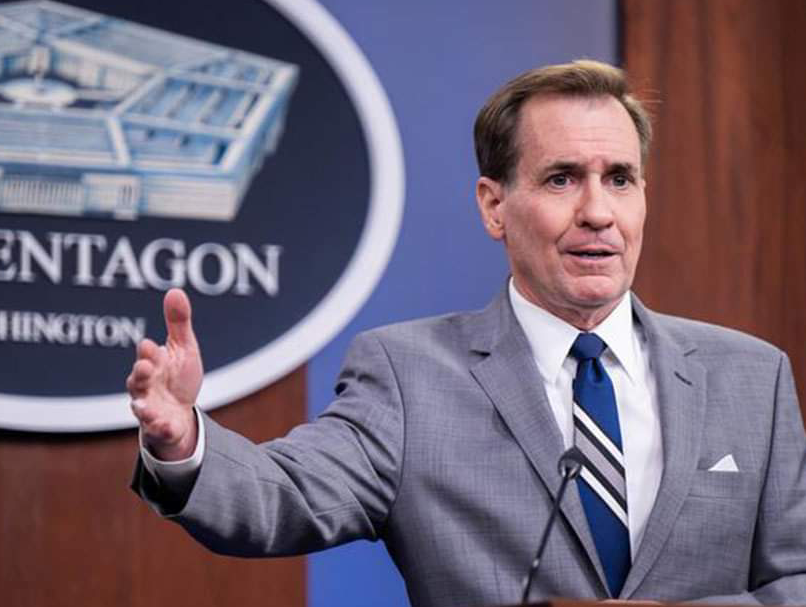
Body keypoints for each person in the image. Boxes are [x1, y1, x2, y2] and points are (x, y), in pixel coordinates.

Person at [128, 60, 806, 606]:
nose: (598, 211)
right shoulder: (409, 376)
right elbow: (282, 499)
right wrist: (184, 441)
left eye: (620, 179)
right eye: (562, 179)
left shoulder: (753, 378)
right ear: (494, 206)